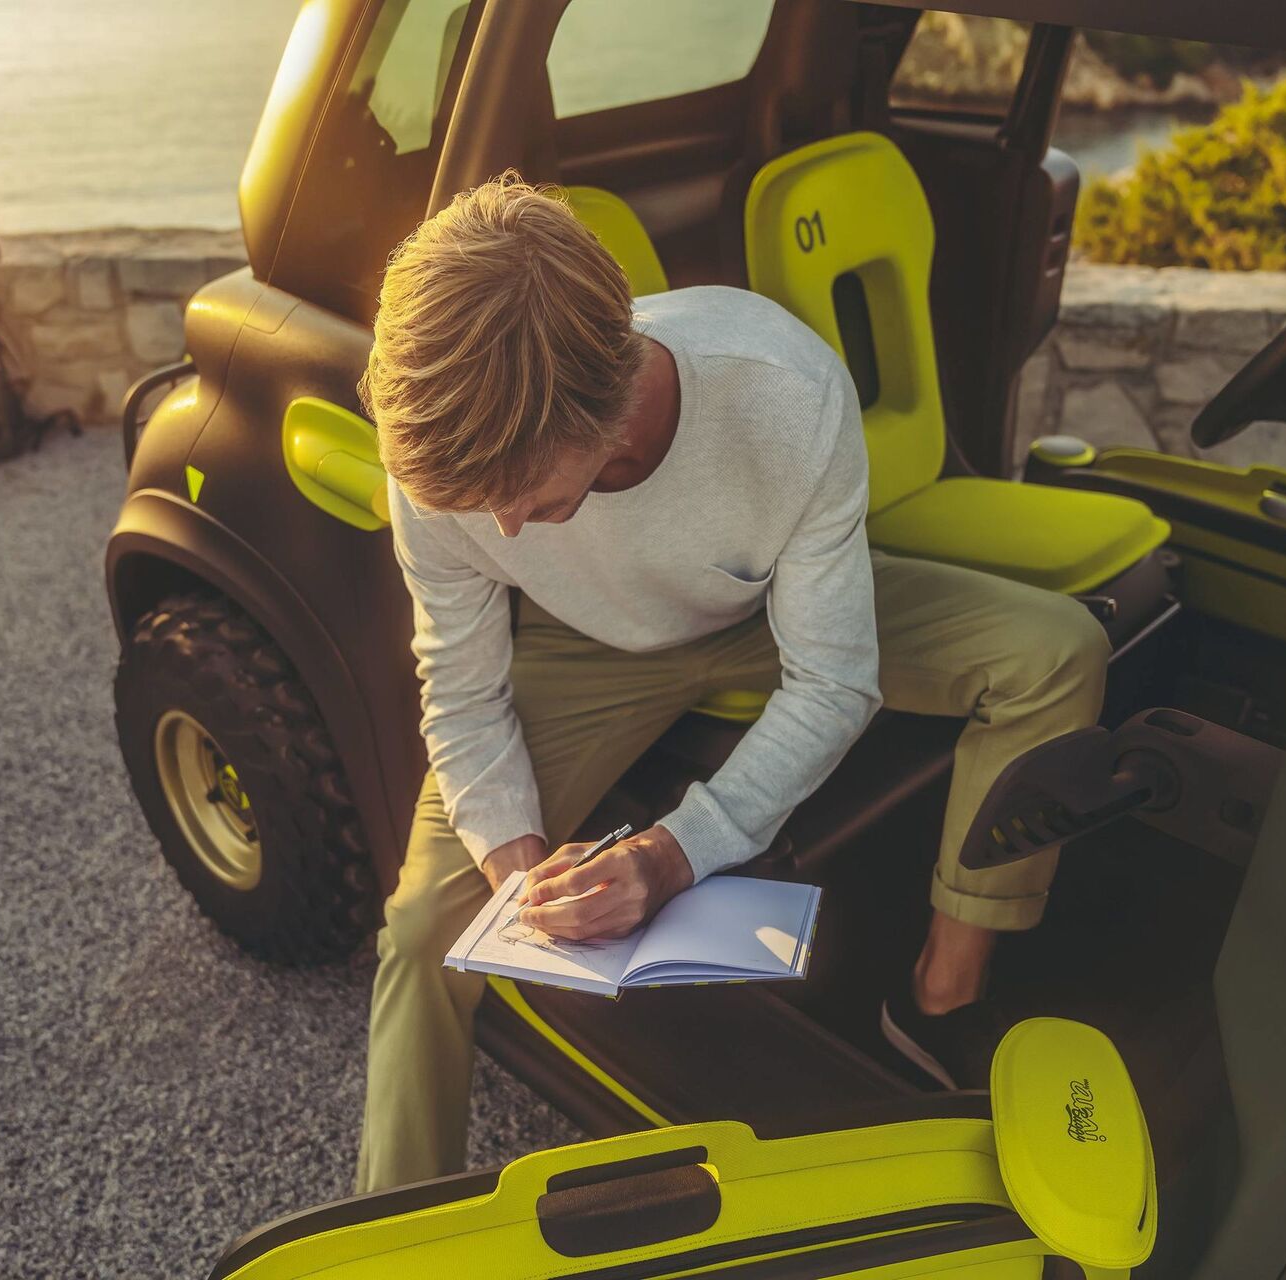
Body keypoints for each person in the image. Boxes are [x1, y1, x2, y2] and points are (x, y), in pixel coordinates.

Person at [352, 171, 1110, 1194]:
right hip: (582, 649)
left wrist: (672, 854)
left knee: (1056, 649)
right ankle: (394, 1228)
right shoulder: (440, 448)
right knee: (418, 928)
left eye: (515, 492)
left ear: (607, 399)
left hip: (763, 609)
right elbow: (460, 678)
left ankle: (939, 996)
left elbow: (834, 678)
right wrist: (515, 879)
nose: (500, 531)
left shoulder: (784, 395)